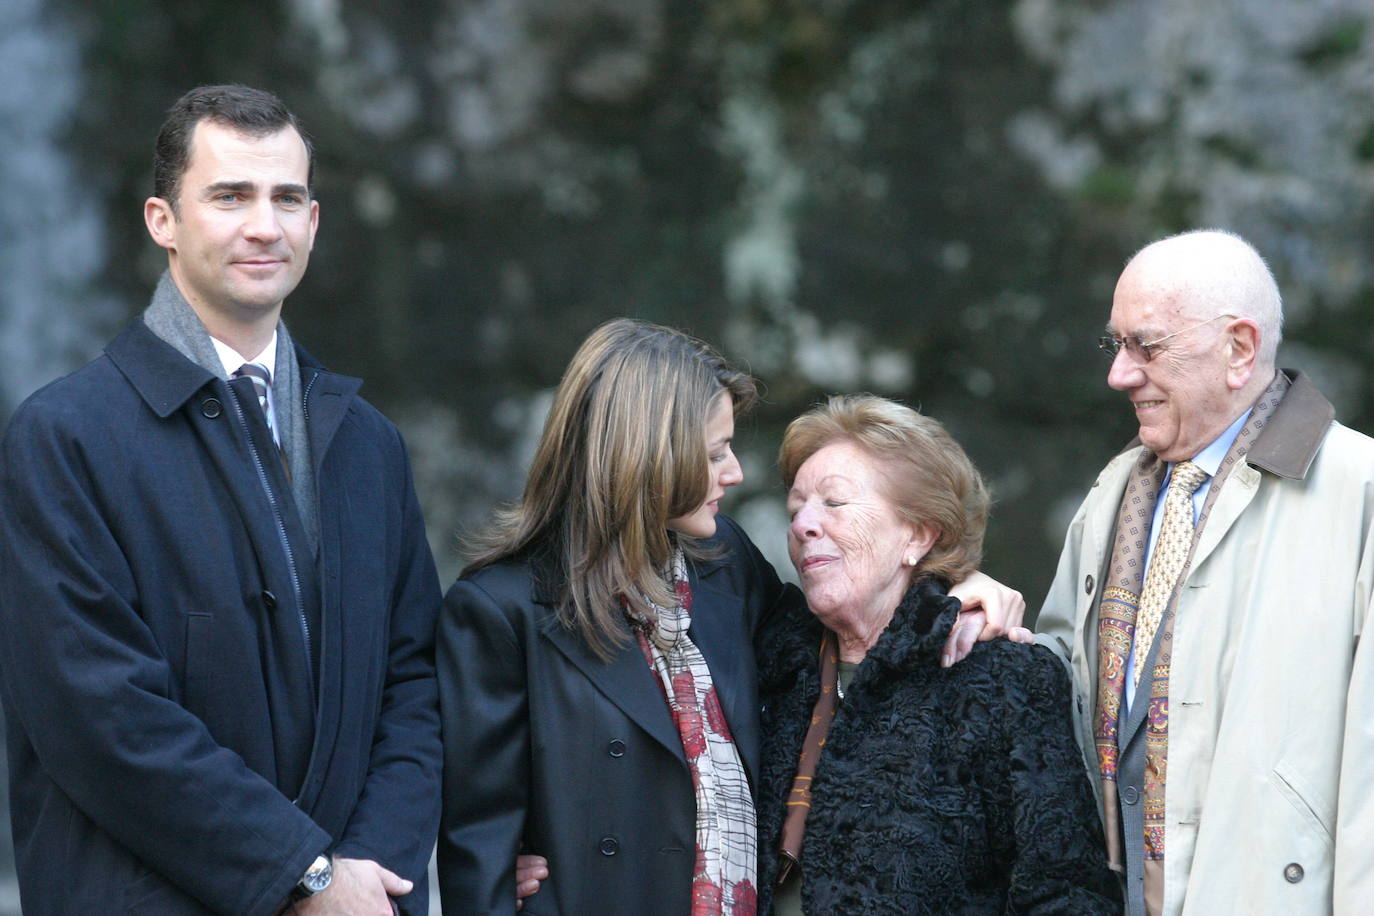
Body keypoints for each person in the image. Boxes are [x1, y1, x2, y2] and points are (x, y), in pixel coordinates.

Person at [0, 85, 442, 915]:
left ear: (315, 220)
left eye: (287, 198)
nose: (264, 225)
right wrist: (303, 876)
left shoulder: (369, 444)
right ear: (162, 219)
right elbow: (101, 716)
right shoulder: (63, 437)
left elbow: (413, 683)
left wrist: (367, 871)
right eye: (230, 196)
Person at [437, 320, 1022, 915]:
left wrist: (950, 581)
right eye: (715, 452)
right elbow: (478, 849)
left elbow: (846, 628)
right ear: (647, 457)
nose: (736, 471)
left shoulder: (721, 562)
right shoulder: (499, 609)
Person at [1033, 229, 1374, 915]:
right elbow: (1058, 693)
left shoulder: (1362, 492)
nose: (1119, 374)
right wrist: (988, 624)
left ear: (1239, 348)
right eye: (1116, 345)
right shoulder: (1114, 491)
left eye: (1145, 346)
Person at [753, 395, 1120, 914]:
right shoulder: (767, 664)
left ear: (919, 534)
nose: (802, 524)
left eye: (833, 503)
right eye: (795, 508)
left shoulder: (1004, 679)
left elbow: (1066, 893)